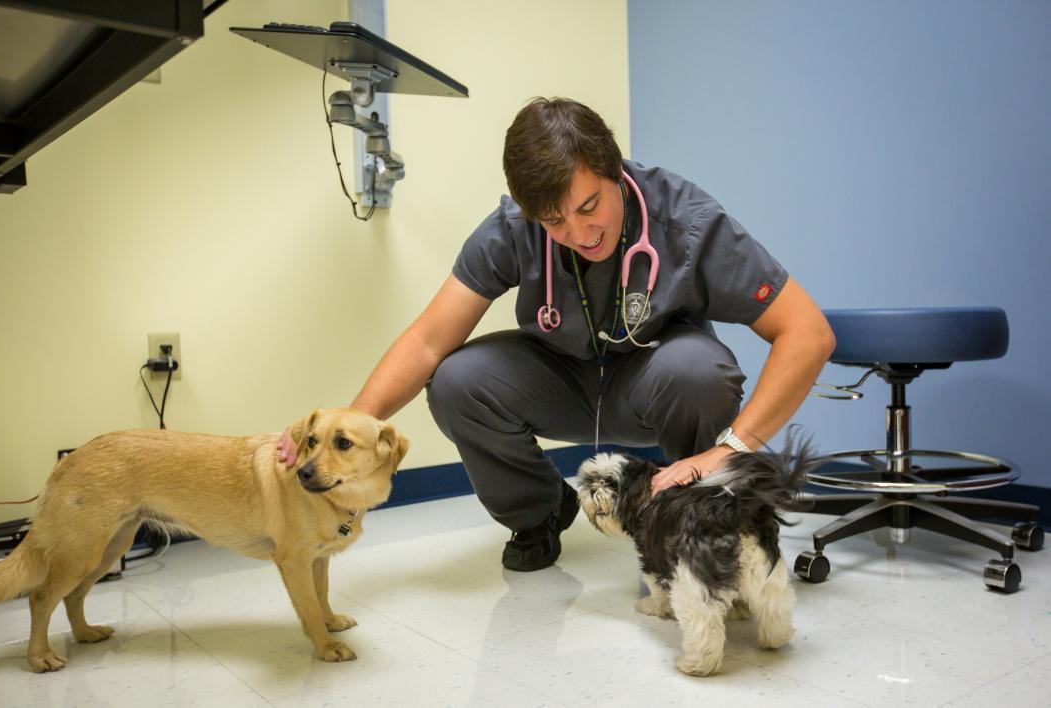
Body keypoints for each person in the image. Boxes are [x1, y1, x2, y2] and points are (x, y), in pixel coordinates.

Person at [279, 97, 835, 572]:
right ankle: (541, 514)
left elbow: (808, 333)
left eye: (589, 206)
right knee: (454, 379)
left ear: (616, 171)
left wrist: (729, 450)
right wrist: (337, 438)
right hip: (561, 382)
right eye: (554, 222)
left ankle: (688, 523)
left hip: (654, 382)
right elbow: (427, 341)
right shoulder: (512, 229)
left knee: (698, 371)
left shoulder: (685, 220)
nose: (579, 232)